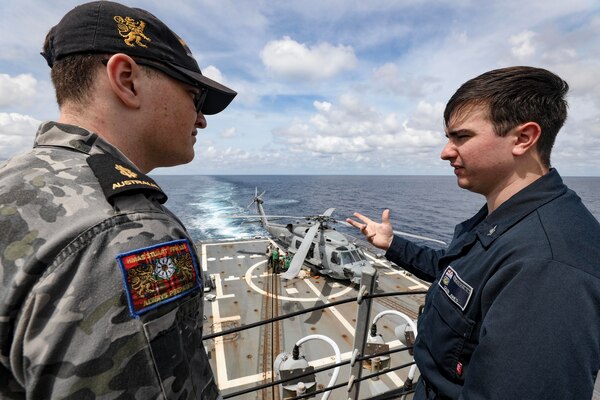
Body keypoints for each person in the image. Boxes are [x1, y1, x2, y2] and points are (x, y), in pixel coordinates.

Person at [0, 1, 236, 399]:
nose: (201, 120)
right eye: (194, 97)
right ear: (127, 80)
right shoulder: (128, 233)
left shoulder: (13, 180)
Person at [347, 66, 600, 399]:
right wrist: (392, 243)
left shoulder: (552, 266)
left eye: (462, 137)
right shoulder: (506, 217)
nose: (446, 152)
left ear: (523, 138)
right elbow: (455, 275)